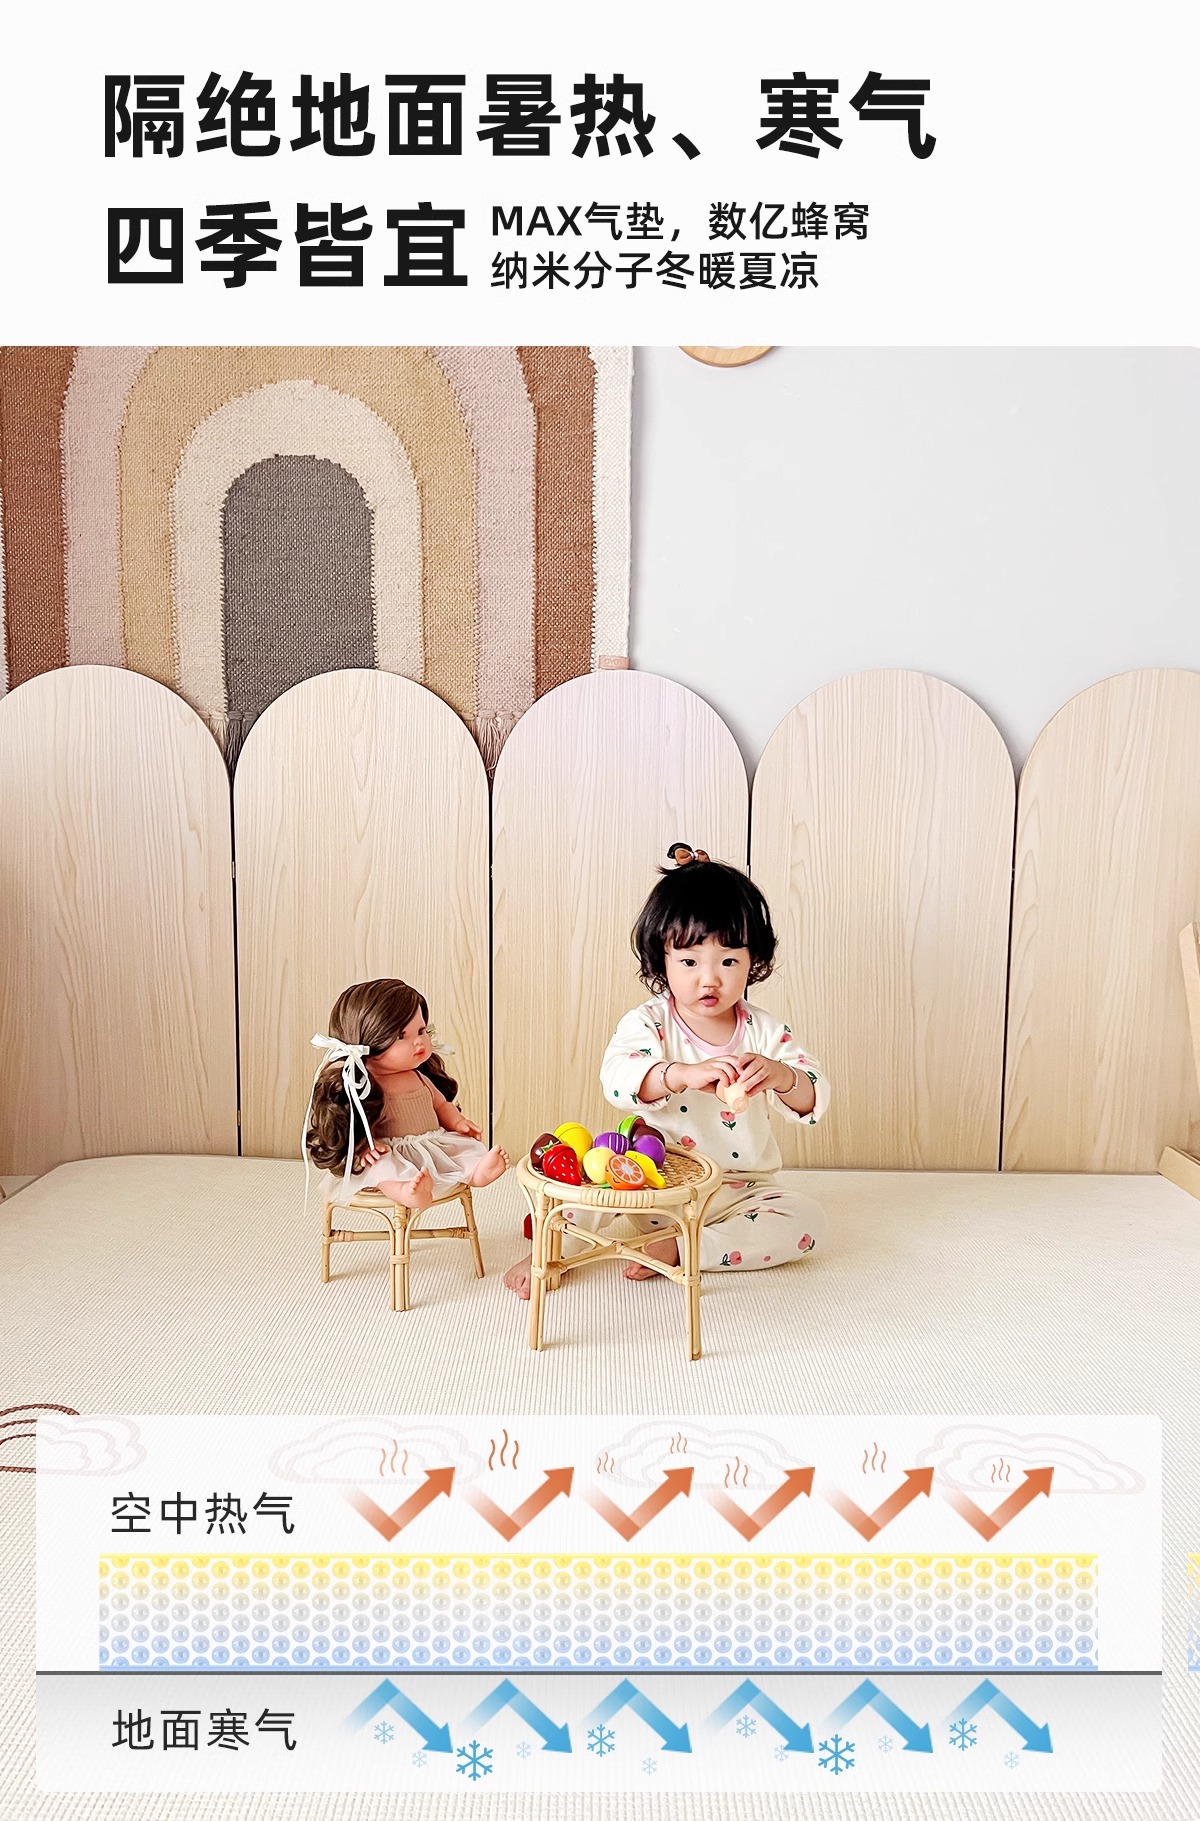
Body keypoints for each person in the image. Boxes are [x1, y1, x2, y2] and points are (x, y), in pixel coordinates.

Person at [504, 849, 829, 1297]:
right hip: (650, 1178)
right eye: (690, 962)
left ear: (753, 959)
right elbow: (617, 1079)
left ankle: (684, 1248)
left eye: (728, 961)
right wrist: (679, 1075)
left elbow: (813, 1096)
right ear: (663, 959)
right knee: (588, 1181)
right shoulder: (649, 1022)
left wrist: (781, 1076)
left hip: (737, 1192)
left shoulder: (765, 1031)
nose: (710, 979)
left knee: (806, 1220)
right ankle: (553, 1247)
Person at [306, 978, 508, 1213]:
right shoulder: (365, 1085)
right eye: (401, 1036)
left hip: (431, 1144)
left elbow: (441, 1105)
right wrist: (364, 1147)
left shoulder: (419, 1077)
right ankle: (405, 1191)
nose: (419, 1041)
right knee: (381, 1166)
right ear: (367, 1042)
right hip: (390, 1150)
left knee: (463, 1149)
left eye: (421, 1031)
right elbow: (354, 1121)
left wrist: (458, 1122)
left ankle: (477, 1172)